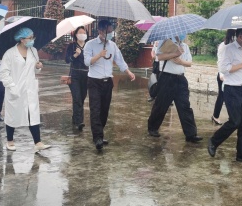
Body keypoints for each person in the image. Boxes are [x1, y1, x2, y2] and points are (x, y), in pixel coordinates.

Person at [207, 28, 242, 164]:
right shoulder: (228, 48)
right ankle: (214, 141)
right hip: (232, 89)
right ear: (241, 36)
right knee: (235, 121)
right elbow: (224, 69)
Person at [83, 19, 135, 150]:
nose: (111, 34)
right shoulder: (90, 45)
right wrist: (99, 55)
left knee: (104, 111)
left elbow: (120, 60)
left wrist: (128, 72)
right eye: (109, 31)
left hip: (107, 82)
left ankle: (100, 133)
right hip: (94, 81)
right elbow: (87, 62)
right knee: (95, 110)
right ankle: (97, 138)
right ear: (100, 31)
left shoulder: (113, 45)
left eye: (112, 31)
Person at [0, 27, 50, 152]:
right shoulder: (10, 53)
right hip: (15, 89)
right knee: (13, 115)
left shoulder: (33, 51)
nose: (33, 40)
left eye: (33, 37)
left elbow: (35, 70)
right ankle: (10, 141)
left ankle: (38, 142)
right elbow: (3, 73)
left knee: (32, 114)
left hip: (30, 89)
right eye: (30, 38)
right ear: (22, 39)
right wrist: (12, 86)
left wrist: (38, 67)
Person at [147, 35, 202, 142]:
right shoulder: (165, 42)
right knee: (161, 105)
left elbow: (189, 63)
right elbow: (159, 57)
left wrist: (181, 62)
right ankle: (152, 128)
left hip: (181, 79)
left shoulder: (185, 46)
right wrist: (175, 54)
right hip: (167, 78)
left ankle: (191, 134)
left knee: (185, 106)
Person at [61, 26, 89, 130]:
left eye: (84, 32)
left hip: (86, 76)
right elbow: (67, 60)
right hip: (75, 75)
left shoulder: (88, 46)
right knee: (77, 98)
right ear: (76, 35)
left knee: (81, 98)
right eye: (80, 32)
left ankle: (75, 117)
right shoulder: (72, 46)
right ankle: (79, 122)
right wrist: (75, 55)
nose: (82, 34)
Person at [211, 30, 235, 126]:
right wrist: (221, 74)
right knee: (222, 96)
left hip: (231, 74)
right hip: (224, 75)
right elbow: (221, 61)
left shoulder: (233, 46)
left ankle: (233, 117)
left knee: (231, 96)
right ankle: (215, 116)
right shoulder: (224, 46)